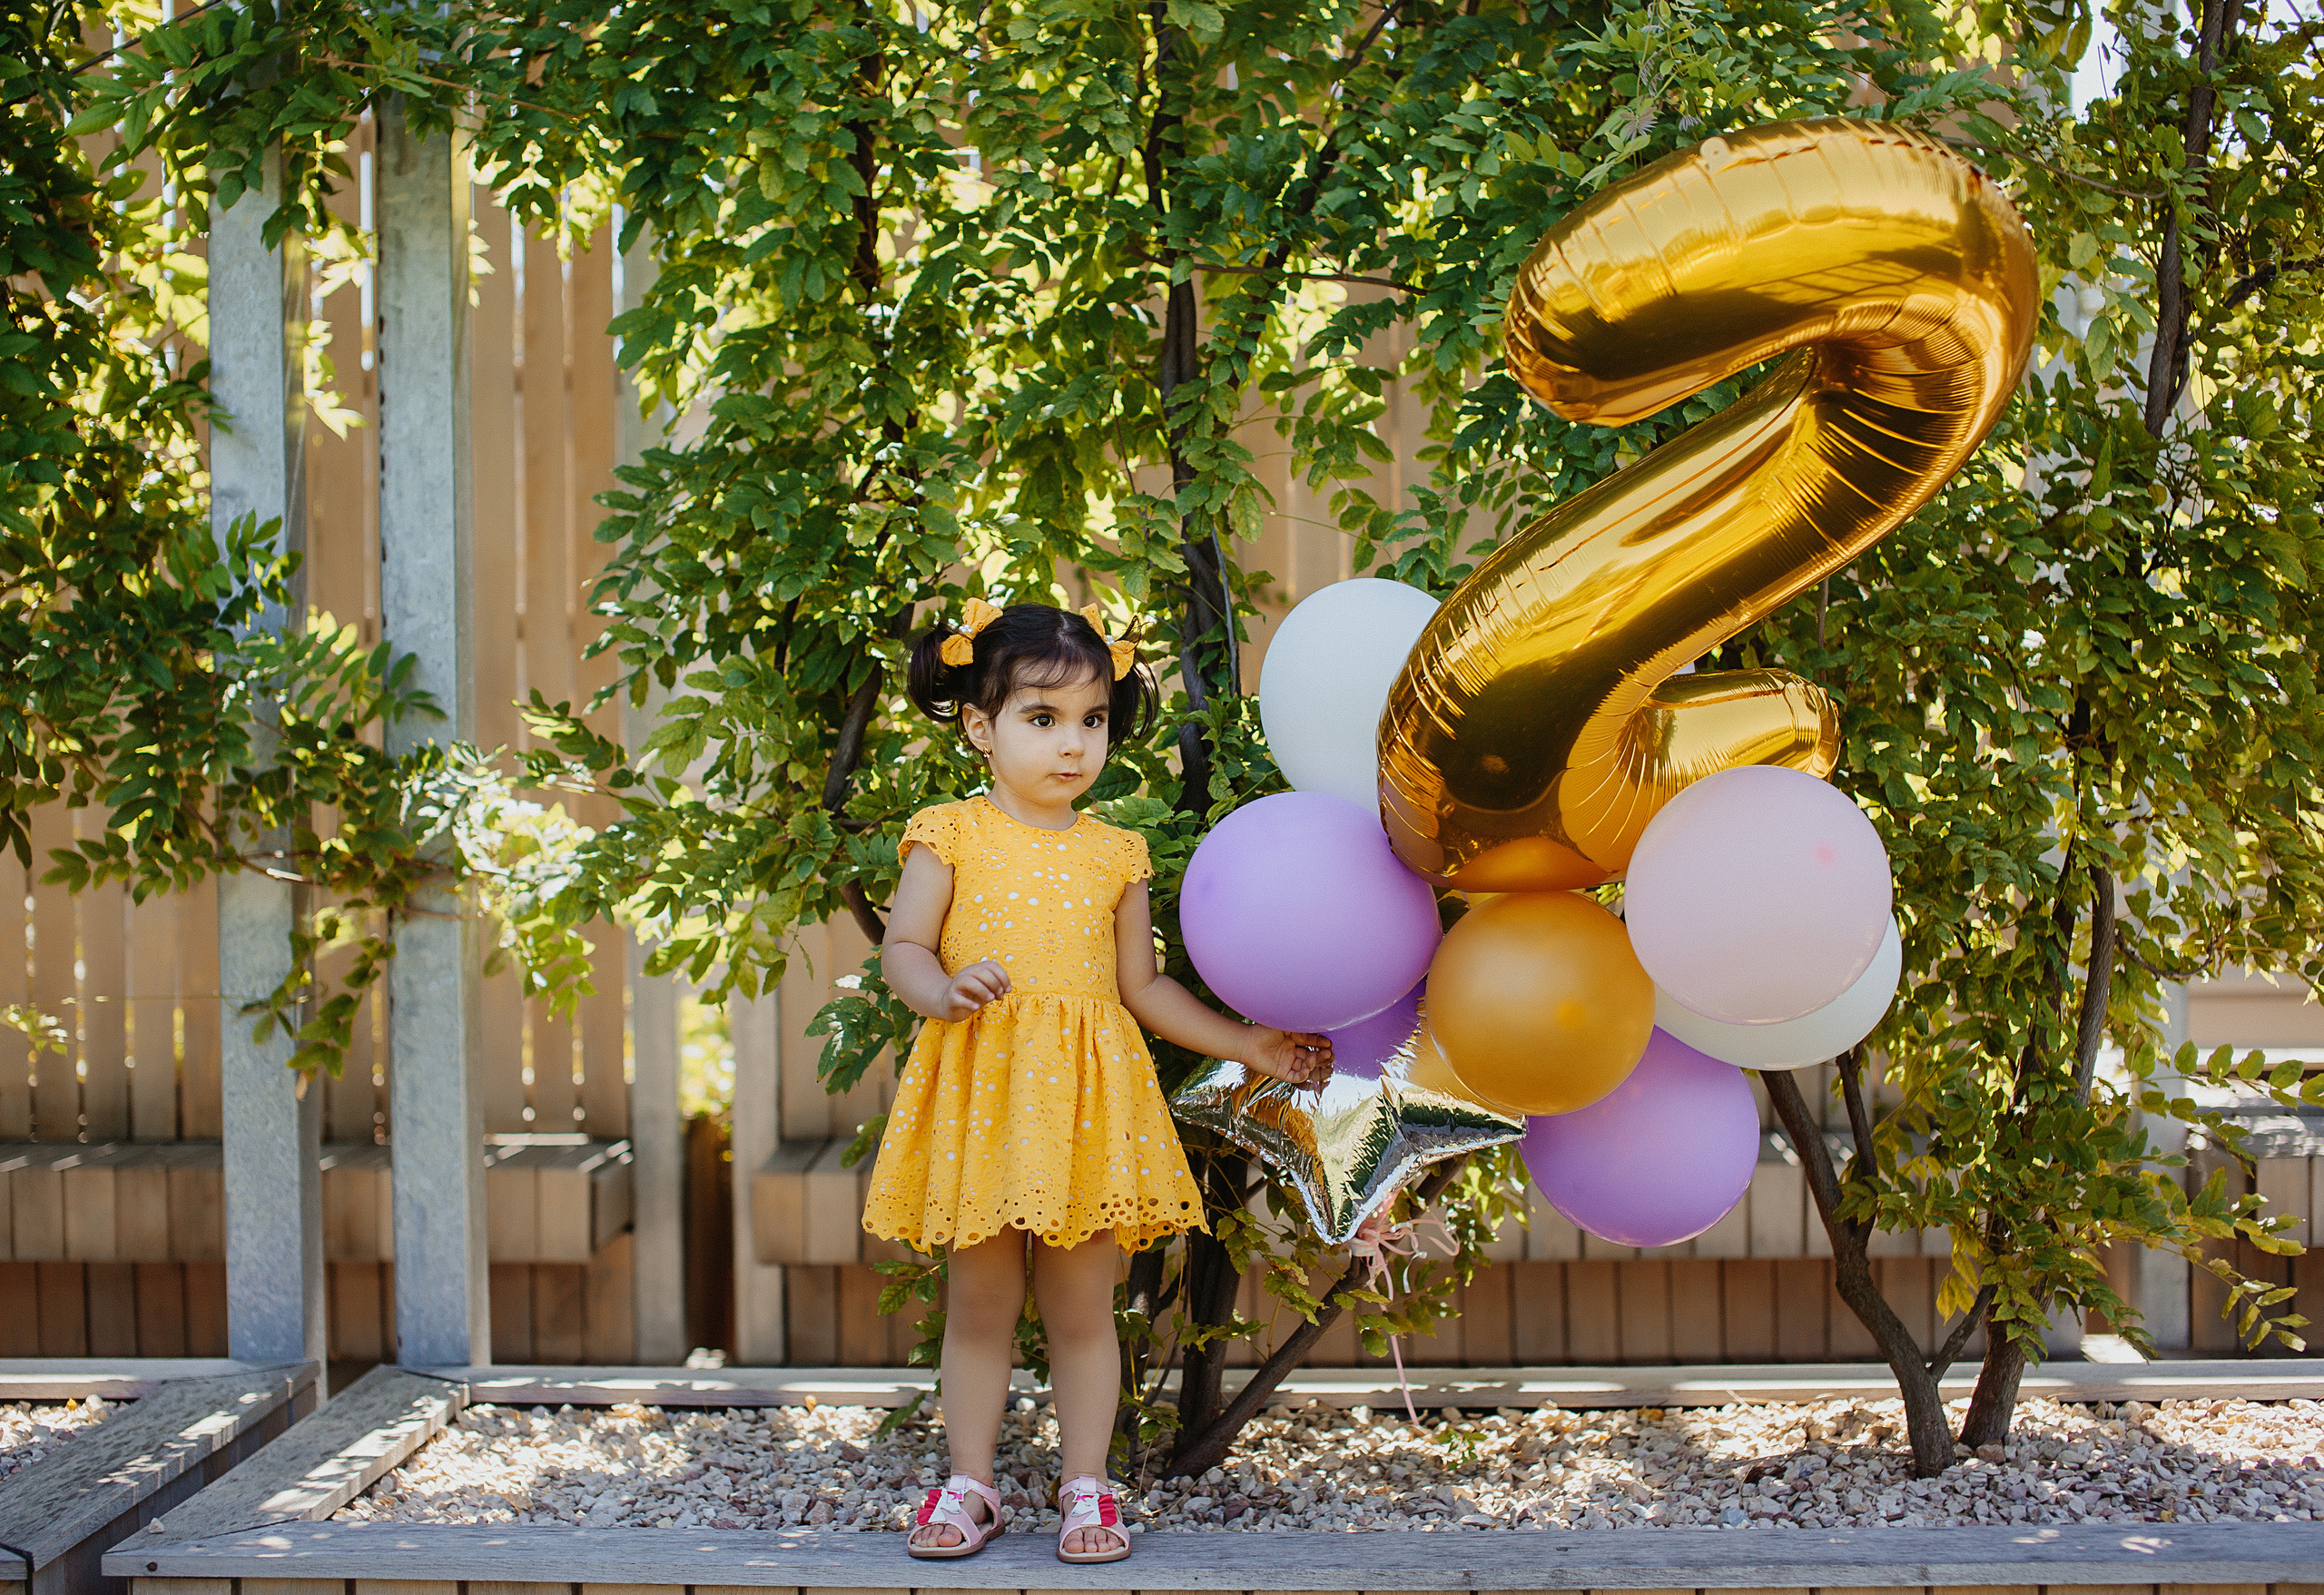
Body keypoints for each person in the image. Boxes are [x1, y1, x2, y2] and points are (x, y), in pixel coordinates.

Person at [862, 598, 1333, 1564]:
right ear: (979, 726)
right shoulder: (948, 833)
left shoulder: (1115, 853)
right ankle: (972, 1481)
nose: (1073, 744)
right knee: (981, 1303)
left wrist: (1250, 1044)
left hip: (1081, 1106)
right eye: (1043, 719)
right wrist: (942, 989)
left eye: (1093, 720)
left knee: (1083, 1308)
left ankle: (1087, 1484)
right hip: (984, 1097)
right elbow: (902, 948)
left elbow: (1143, 985)